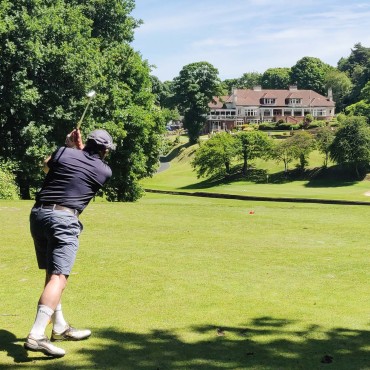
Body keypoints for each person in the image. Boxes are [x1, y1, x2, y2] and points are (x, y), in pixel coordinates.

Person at [24, 128, 115, 358]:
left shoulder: (64, 152)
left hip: (38, 215)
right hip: (63, 220)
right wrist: (78, 148)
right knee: (58, 278)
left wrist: (70, 147)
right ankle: (36, 335)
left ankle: (59, 327)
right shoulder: (104, 170)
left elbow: (47, 167)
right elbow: (86, 163)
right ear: (104, 150)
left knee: (51, 274)